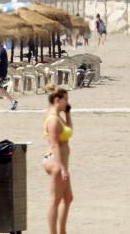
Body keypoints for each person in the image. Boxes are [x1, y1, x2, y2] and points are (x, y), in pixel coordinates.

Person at [43, 85, 74, 234]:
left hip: (60, 160)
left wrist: (68, 113)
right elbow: (55, 145)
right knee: (55, 200)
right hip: (55, 160)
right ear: (57, 100)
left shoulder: (58, 116)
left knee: (68, 198)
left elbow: (68, 130)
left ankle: (62, 231)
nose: (67, 103)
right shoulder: (53, 119)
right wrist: (62, 168)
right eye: (65, 100)